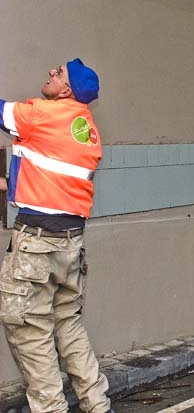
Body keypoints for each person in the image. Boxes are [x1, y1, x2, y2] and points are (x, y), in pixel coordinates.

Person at [0, 59, 113, 413]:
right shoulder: (88, 131)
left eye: (59, 73)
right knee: (69, 327)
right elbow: (51, 183)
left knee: (30, 332)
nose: (50, 72)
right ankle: (98, 406)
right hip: (70, 245)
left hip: (36, 243)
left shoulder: (43, 115)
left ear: (67, 91)